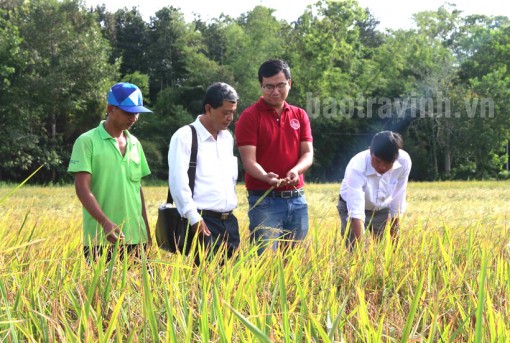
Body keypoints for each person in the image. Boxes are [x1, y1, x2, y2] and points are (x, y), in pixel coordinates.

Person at [235, 59, 314, 255]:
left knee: (295, 262)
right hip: (264, 200)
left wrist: (296, 170)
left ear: (290, 83)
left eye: (280, 85)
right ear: (261, 86)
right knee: (265, 262)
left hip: (297, 199)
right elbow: (249, 161)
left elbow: (307, 153)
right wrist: (265, 176)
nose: (275, 91)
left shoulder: (299, 115)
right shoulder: (250, 117)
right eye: (268, 86)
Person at [68, 82, 152, 262]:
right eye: (128, 112)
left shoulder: (135, 144)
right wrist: (104, 222)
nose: (134, 118)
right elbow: (82, 188)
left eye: (137, 113)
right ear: (111, 109)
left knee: (141, 290)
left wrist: (146, 232)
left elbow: (137, 189)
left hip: (136, 238)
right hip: (101, 239)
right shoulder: (87, 142)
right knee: (102, 290)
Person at [168, 82, 240, 262]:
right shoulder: (185, 136)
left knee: (233, 283)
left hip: (229, 223)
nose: (230, 117)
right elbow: (178, 181)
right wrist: (193, 218)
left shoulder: (227, 138)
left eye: (233, 112)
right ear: (208, 109)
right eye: (225, 112)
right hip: (202, 221)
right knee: (202, 284)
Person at [337, 131, 412, 249]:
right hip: (350, 205)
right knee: (353, 248)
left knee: (381, 249)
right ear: (370, 151)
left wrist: (394, 248)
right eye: (377, 161)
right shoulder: (357, 166)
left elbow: (398, 198)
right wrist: (359, 251)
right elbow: (356, 212)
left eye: (388, 164)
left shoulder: (404, 162)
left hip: (381, 207)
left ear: (396, 159)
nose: (382, 167)